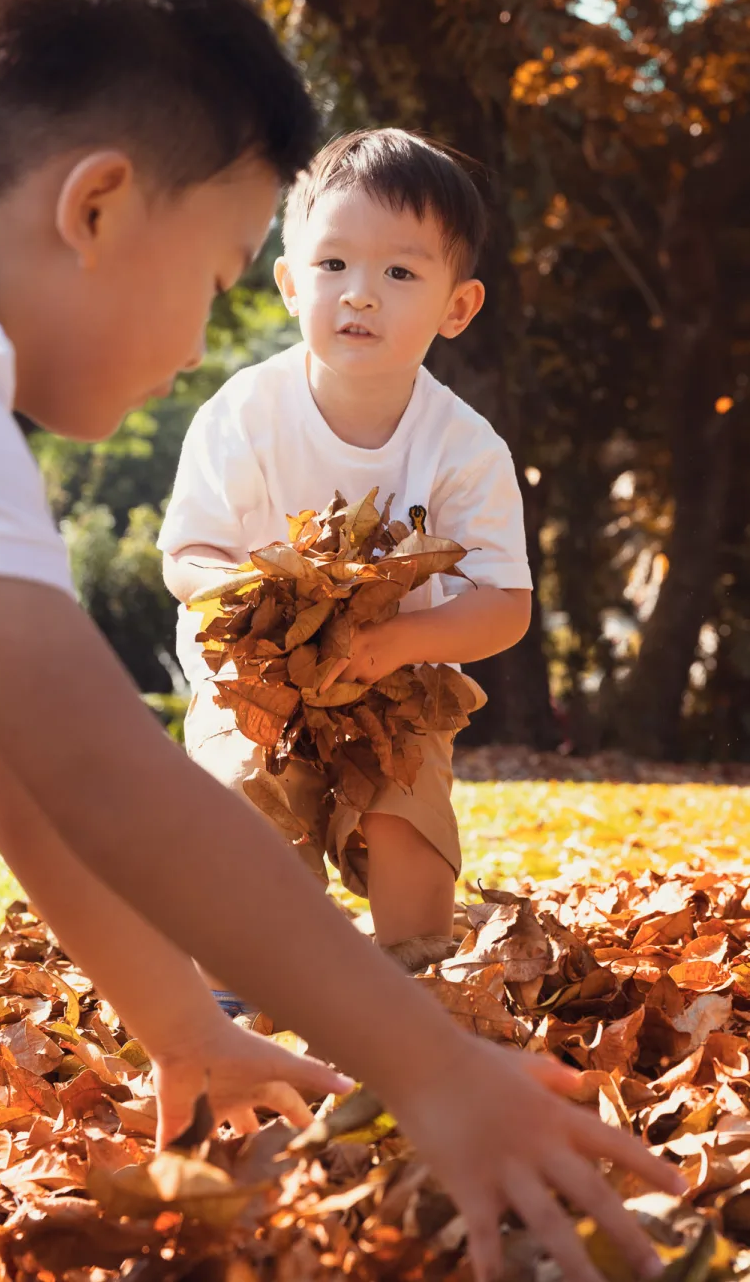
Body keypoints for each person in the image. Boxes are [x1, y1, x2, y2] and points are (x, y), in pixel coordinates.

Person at [0, 0, 680, 1282]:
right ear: (99, 208)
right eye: (222, 273)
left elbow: (18, 769)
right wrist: (430, 1068)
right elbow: (107, 774)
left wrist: (176, 1016)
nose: (202, 344)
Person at [161, 129, 528, 982]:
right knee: (244, 807)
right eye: (333, 266)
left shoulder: (462, 448)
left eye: (399, 273)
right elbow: (189, 554)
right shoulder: (244, 412)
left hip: (393, 682)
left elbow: (503, 602)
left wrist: (389, 644)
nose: (360, 294)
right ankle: (242, 986)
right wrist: (253, 607)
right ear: (290, 283)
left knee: (405, 822)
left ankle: (414, 977)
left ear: (457, 307)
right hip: (251, 673)